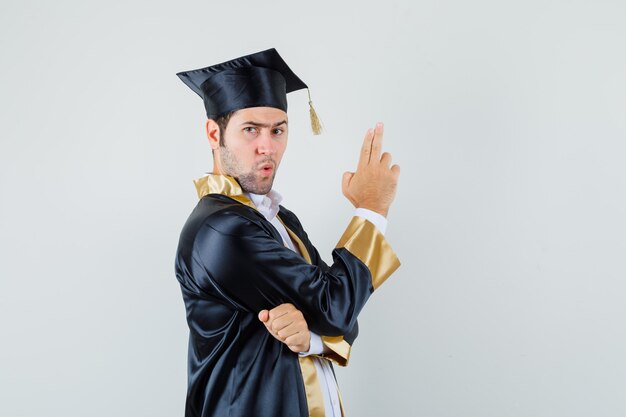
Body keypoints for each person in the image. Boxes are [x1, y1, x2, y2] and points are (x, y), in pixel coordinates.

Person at [175, 48, 401, 417]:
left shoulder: (281, 220)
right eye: (251, 130)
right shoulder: (221, 228)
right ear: (213, 133)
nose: (268, 147)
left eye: (278, 130)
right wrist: (372, 208)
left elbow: (344, 317)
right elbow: (337, 307)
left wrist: (310, 338)